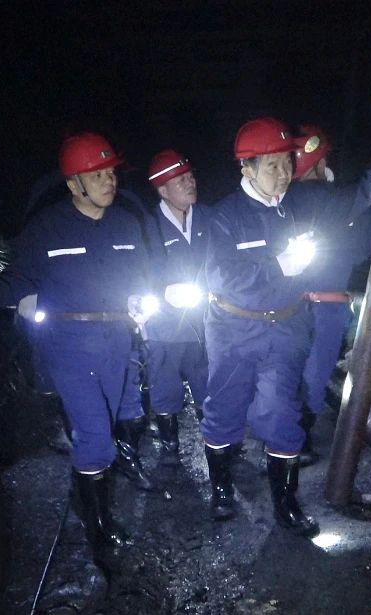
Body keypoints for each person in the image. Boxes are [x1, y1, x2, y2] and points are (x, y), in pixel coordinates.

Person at [201, 116, 371, 537]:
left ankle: (286, 504)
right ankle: (221, 487)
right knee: (225, 408)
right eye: (272, 165)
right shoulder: (225, 217)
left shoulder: (299, 203)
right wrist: (277, 267)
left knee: (282, 412)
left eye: (287, 163)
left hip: (286, 326)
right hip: (233, 329)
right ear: (246, 168)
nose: (283, 173)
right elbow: (219, 276)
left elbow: (355, 198)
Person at [0, 132, 156, 560]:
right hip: (69, 345)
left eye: (110, 173)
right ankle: (97, 526)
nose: (109, 181)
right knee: (96, 435)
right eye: (97, 175)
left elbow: (142, 277)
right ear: (73, 184)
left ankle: (87, 497)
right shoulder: (47, 229)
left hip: (117, 340)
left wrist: (143, 300)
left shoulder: (126, 224)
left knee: (110, 422)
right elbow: (19, 278)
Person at [293, 125, 371, 466]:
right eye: (323, 159)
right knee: (313, 376)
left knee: (289, 373)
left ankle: (287, 438)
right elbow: (368, 190)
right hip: (325, 304)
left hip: (291, 307)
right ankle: (297, 439)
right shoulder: (330, 199)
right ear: (316, 163)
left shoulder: (280, 202)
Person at [141, 149, 211, 465]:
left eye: (190, 176)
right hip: (165, 324)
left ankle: (217, 443)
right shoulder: (148, 226)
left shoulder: (208, 217)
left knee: (207, 382)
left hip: (204, 322)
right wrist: (160, 292)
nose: (190, 182)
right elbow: (140, 270)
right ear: (162, 189)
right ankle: (169, 445)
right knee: (165, 385)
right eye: (181, 180)